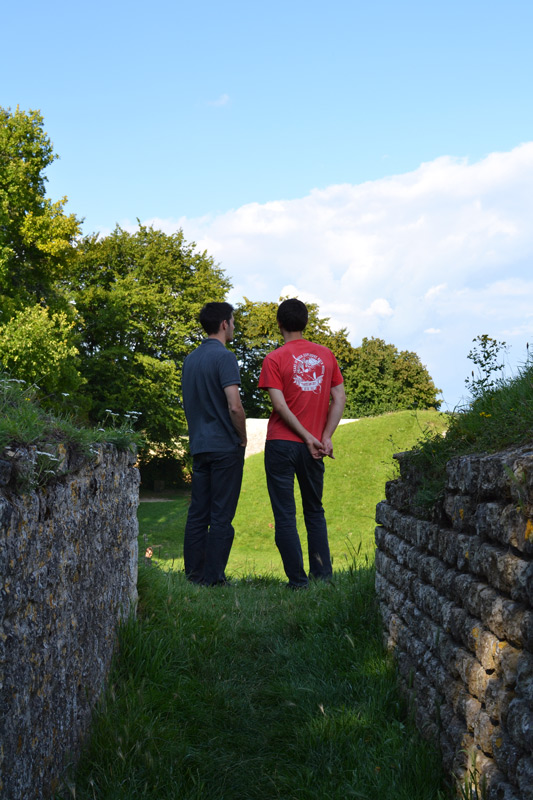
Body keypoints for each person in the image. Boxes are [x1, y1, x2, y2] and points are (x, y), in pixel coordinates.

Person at [258, 298, 346, 589]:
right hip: (314, 449)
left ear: (279, 324)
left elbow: (280, 406)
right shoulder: (326, 355)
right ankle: (322, 577)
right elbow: (339, 398)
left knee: (285, 514)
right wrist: (324, 436)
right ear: (305, 322)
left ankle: (298, 582)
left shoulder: (273, 359)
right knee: (314, 511)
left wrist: (308, 437)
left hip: (281, 444)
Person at [181, 302, 247, 585]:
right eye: (232, 321)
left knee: (198, 512)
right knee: (221, 515)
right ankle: (214, 578)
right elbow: (234, 405)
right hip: (224, 448)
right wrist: (242, 438)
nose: (234, 326)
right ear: (223, 324)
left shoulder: (190, 359)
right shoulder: (225, 357)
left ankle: (194, 575)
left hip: (199, 446)